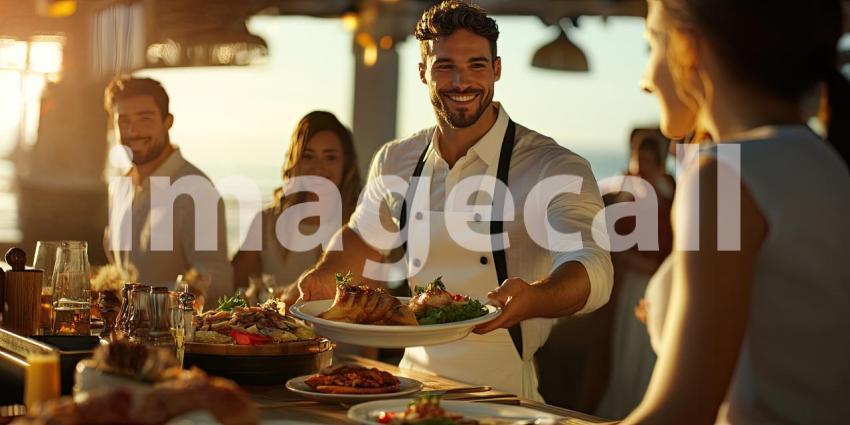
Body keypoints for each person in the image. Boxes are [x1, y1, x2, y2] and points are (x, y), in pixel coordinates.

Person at [290, 0, 613, 401]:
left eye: (476, 65)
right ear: (423, 72)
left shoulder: (552, 166)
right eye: (445, 67)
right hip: (408, 387)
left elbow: (592, 266)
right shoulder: (396, 159)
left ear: (497, 69)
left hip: (503, 392)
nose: (462, 82)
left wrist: (536, 297)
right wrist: (328, 272)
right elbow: (361, 236)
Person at [623, 0, 850, 423]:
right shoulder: (823, 162)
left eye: (651, 47)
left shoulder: (722, 178)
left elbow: (682, 412)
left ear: (688, 49)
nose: (644, 80)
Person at [103, 76, 232, 309]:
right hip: (123, 338)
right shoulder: (118, 187)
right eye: (124, 121)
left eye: (145, 118)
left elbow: (217, 283)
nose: (133, 131)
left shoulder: (196, 190)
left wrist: (149, 305)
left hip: (173, 340)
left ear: (167, 121)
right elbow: (120, 269)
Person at [232, 111, 362, 297]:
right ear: (295, 161)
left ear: (346, 163)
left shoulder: (361, 225)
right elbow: (236, 293)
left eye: (330, 157)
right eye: (308, 156)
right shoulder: (266, 222)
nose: (318, 167)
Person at [596, 130, 674, 418]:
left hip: (656, 285)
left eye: (647, 162)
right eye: (637, 161)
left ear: (659, 164)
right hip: (629, 286)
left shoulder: (670, 199)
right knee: (625, 354)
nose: (641, 169)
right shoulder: (625, 198)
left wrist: (641, 264)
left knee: (646, 356)